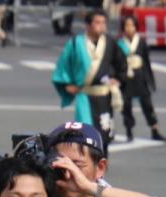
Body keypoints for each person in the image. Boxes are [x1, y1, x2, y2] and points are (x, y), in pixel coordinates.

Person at [53, 10, 127, 150]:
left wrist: (118, 79)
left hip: (104, 95)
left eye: (104, 23)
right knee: (85, 134)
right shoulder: (75, 43)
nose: (102, 26)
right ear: (87, 25)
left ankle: (101, 166)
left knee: (104, 134)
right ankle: (87, 167)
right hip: (84, 95)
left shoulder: (110, 42)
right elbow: (63, 65)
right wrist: (67, 84)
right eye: (97, 22)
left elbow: (122, 63)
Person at [118, 16, 166, 143]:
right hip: (126, 77)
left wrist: (150, 79)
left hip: (140, 76)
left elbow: (147, 62)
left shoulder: (141, 42)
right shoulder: (119, 43)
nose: (129, 29)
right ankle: (129, 130)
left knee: (147, 104)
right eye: (127, 26)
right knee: (126, 105)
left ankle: (154, 129)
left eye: (132, 26)